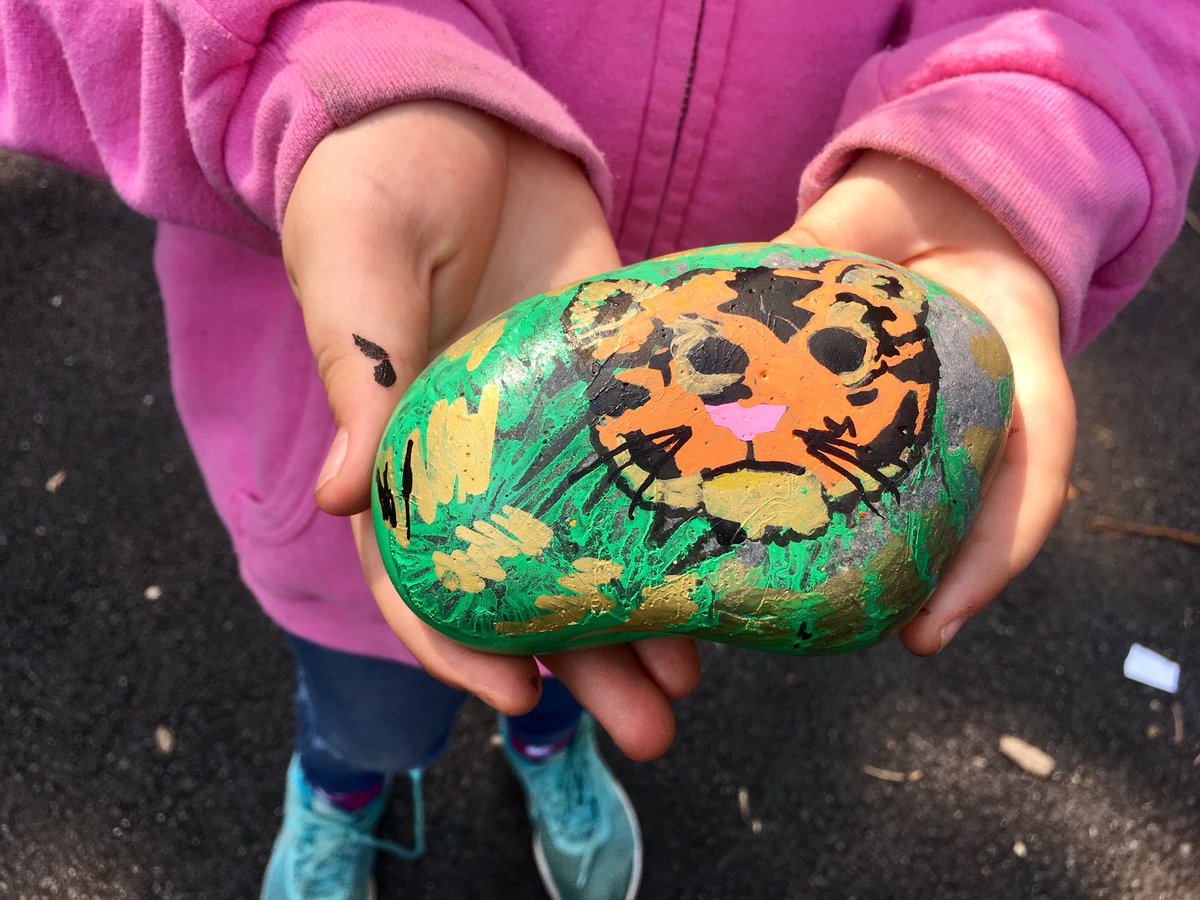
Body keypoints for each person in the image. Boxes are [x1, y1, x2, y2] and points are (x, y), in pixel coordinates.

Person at [3, 1, 1197, 897]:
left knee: (562, 675)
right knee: (368, 704)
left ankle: (543, 749)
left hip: (635, 456)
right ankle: (340, 784)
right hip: (337, 445)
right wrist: (312, 57)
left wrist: (1021, 126)